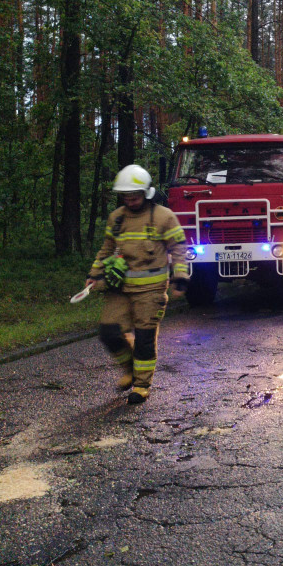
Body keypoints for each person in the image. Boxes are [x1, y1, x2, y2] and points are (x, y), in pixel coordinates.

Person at [86, 165, 189, 404]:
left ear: (146, 193)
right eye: (126, 197)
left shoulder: (164, 216)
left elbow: (179, 248)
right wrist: (95, 273)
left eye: (135, 197)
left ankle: (141, 385)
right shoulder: (117, 217)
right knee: (108, 332)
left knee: (144, 338)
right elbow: (107, 248)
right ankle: (129, 369)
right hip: (119, 288)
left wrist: (180, 276)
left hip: (151, 291)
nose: (131, 202)